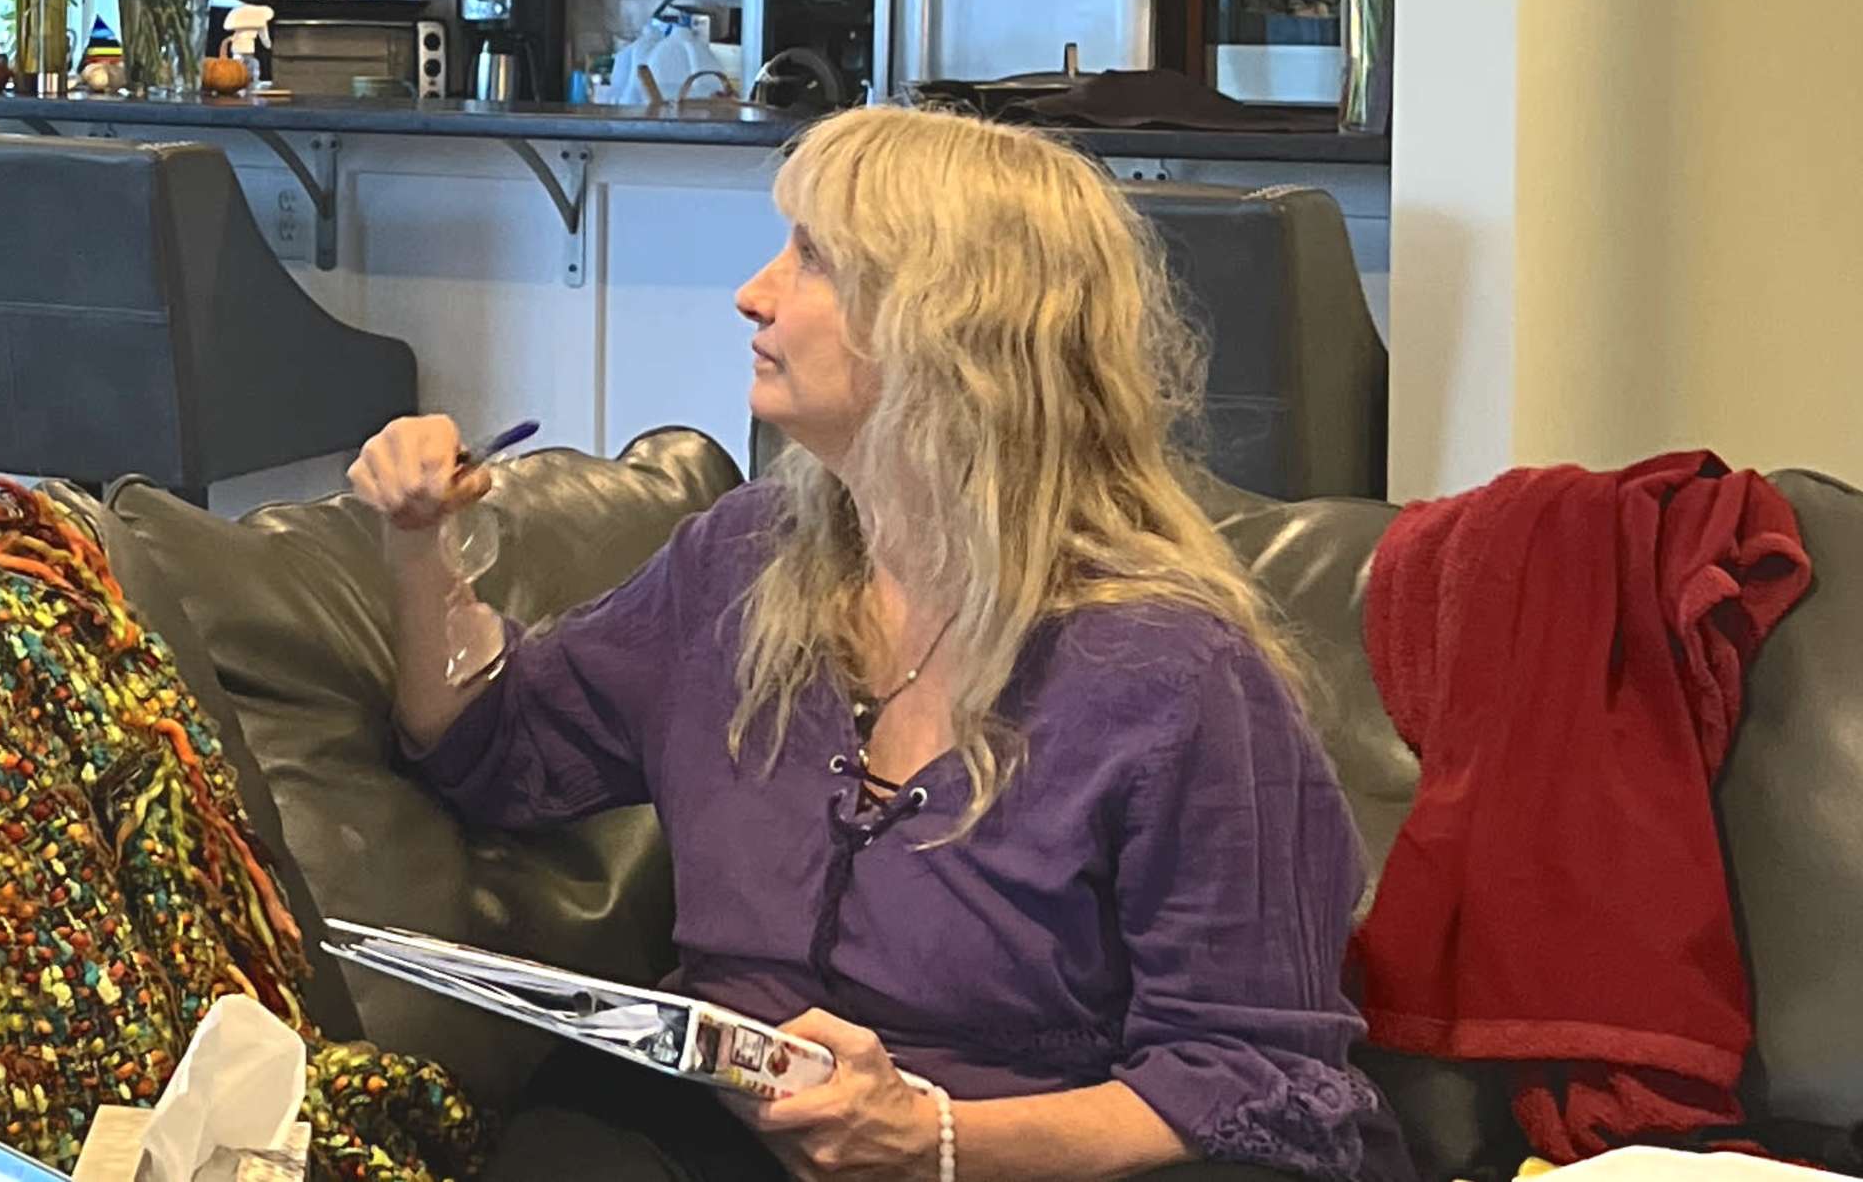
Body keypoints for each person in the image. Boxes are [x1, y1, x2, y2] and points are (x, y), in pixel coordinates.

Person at [353, 109, 1405, 1182]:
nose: (753, 292)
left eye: (813, 258)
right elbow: (491, 747)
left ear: (948, 329)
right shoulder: (739, 561)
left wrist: (934, 1143)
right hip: (735, 1131)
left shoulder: (1176, 677)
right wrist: (418, 544)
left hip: (1029, 1155)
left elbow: (1255, 1089)